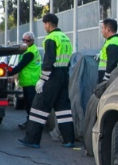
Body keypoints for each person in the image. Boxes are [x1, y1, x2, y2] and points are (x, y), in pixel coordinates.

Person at [18, 13, 75, 149]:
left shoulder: (51, 38)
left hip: (52, 75)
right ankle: (69, 139)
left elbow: (49, 60)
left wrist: (42, 79)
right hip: (64, 74)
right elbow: (67, 60)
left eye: (44, 24)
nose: (44, 26)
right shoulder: (65, 38)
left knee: (38, 106)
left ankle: (32, 139)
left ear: (48, 24)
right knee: (63, 108)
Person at [7, 32, 40, 129]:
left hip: (30, 81)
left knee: (30, 105)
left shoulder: (30, 52)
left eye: (27, 40)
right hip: (30, 81)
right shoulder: (30, 50)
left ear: (32, 41)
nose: (25, 42)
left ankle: (32, 124)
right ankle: (31, 122)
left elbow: (20, 66)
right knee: (29, 104)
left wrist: (8, 73)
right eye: (24, 40)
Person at [96, 18, 118, 83]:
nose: (101, 31)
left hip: (112, 81)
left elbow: (112, 64)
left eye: (102, 28)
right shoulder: (116, 41)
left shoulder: (113, 43)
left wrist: (105, 80)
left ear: (108, 29)